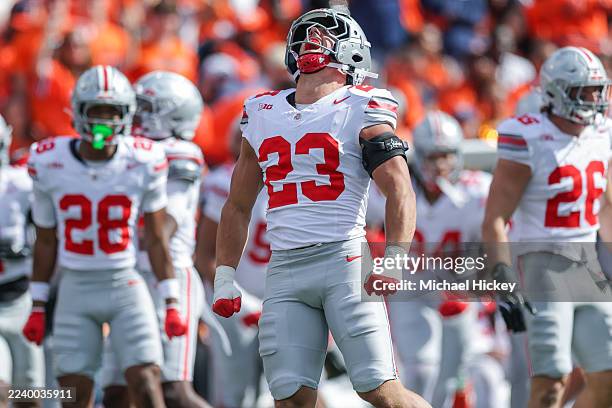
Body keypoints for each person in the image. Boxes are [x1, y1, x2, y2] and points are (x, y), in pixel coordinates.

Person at [211, 8, 430, 408]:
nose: (313, 38)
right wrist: (225, 272)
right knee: (291, 400)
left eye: (327, 34)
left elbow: (400, 188)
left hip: (342, 259)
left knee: (379, 390)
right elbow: (238, 204)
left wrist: (395, 255)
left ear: (353, 53)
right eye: (307, 33)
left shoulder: (363, 105)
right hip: (284, 270)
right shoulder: (262, 112)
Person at [21, 65, 187, 408]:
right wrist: (37, 304)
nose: (105, 122)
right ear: (78, 113)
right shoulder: (48, 161)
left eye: (113, 112)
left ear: (127, 115)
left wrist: (171, 299)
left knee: (146, 381)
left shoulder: (144, 159)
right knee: (73, 393)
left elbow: (155, 238)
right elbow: (46, 239)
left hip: (124, 283)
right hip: (75, 286)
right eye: (96, 112)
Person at [482, 46, 612, 408]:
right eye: (582, 91)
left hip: (589, 264)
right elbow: (494, 218)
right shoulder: (528, 137)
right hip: (541, 263)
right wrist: (502, 275)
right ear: (555, 92)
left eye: (596, 90)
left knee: (607, 377)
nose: (592, 99)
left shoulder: (602, 133)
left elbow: (605, 206)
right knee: (551, 381)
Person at [100, 71, 210, 408]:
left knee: (174, 390)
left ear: (171, 114)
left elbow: (165, 226)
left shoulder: (179, 152)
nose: (135, 114)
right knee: (116, 392)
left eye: (144, 106)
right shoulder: (127, 151)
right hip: (129, 279)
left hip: (169, 276)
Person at [384, 111, 506, 407]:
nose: (439, 166)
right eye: (432, 157)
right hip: (413, 291)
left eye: (446, 156)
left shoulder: (477, 192)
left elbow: (499, 241)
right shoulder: (395, 189)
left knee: (460, 378)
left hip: (459, 294)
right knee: (421, 371)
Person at [196, 125, 270, 407]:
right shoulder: (222, 181)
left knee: (291, 389)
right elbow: (205, 257)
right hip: (233, 304)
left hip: (279, 298)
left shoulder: (295, 182)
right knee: (235, 395)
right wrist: (247, 305)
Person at [0, 115, 44, 408]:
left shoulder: (21, 182)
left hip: (22, 299)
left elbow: (49, 236)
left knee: (30, 395)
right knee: (2, 391)